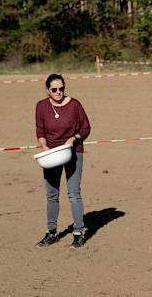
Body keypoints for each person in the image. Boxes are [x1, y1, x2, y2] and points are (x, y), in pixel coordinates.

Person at [35, 74, 91, 249]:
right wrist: (43, 145)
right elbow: (40, 130)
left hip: (72, 152)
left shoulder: (74, 105)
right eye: (54, 89)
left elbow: (86, 127)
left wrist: (74, 138)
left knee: (74, 193)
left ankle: (78, 233)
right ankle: (52, 232)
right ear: (48, 90)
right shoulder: (41, 106)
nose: (58, 92)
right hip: (52, 154)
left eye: (61, 88)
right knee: (52, 194)